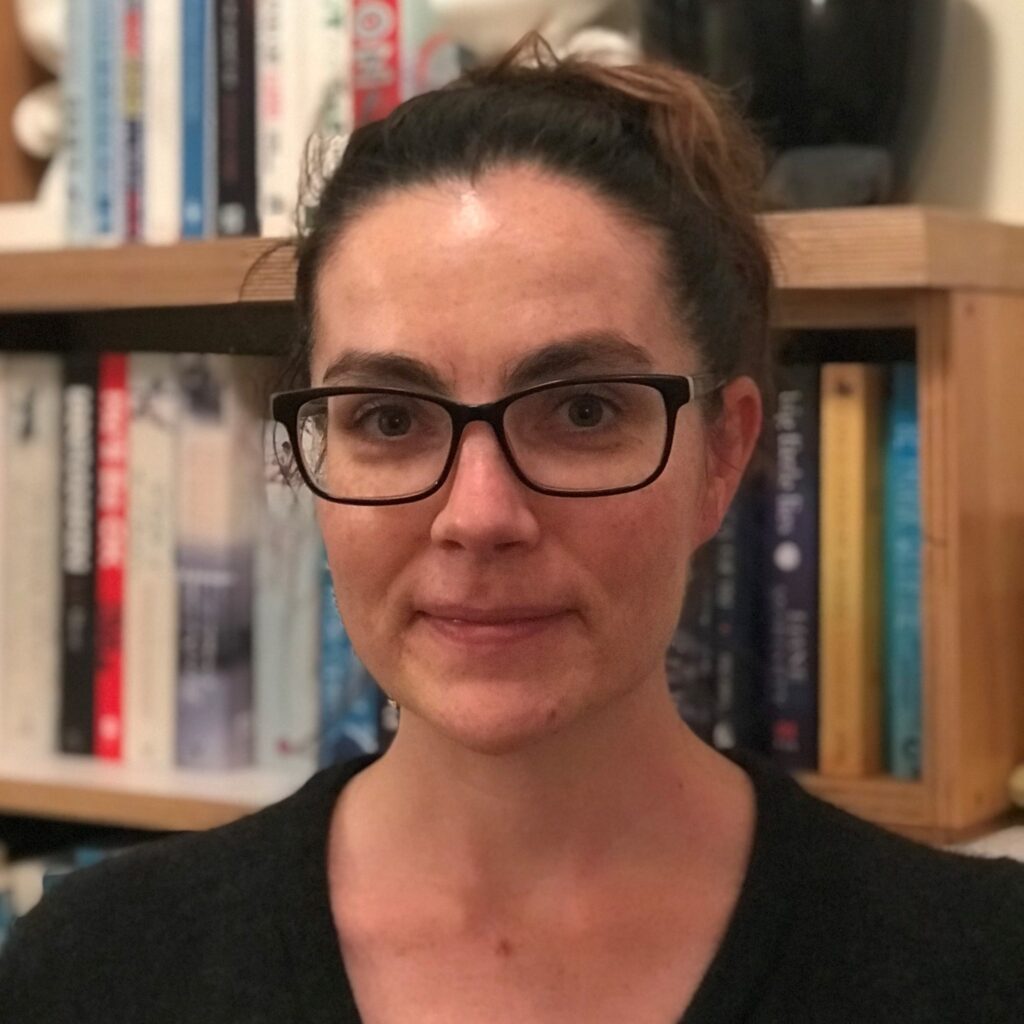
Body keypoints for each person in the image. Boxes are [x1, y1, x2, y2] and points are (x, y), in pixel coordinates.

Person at [3, 37, 1024, 1024]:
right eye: (389, 420)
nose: (480, 515)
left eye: (582, 411)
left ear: (721, 455)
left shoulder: (980, 967)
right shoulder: (96, 970)